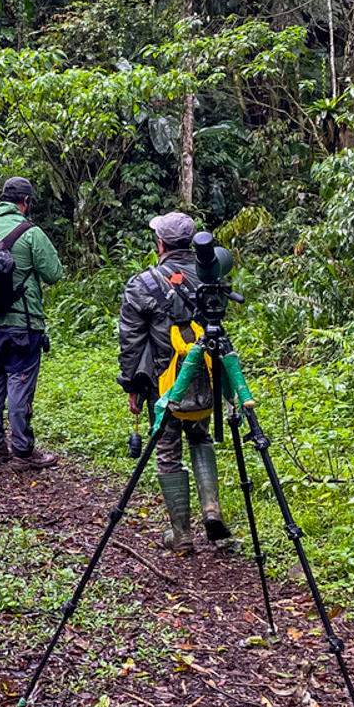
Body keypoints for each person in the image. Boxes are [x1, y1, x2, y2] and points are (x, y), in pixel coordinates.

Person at [115, 211, 231, 555]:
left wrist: (131, 386)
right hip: (206, 377)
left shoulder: (143, 284)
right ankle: (211, 509)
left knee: (167, 452)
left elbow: (131, 340)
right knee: (201, 437)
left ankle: (181, 534)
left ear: (160, 243)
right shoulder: (212, 277)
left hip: (162, 383)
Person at [0, 176, 64, 468]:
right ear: (26, 202)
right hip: (25, 324)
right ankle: (24, 451)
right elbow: (54, 273)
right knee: (19, 385)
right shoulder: (32, 233)